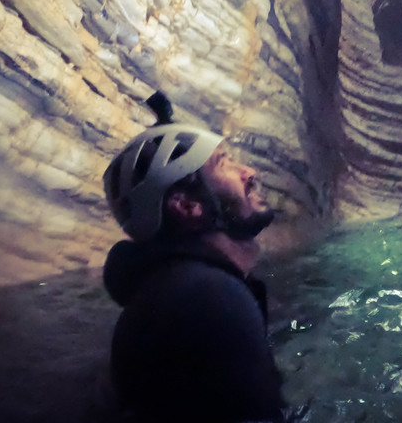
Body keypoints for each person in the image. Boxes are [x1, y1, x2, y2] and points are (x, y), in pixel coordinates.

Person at [102, 90, 288, 422]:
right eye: (223, 164)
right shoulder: (210, 299)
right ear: (188, 206)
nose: (248, 172)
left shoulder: (171, 291)